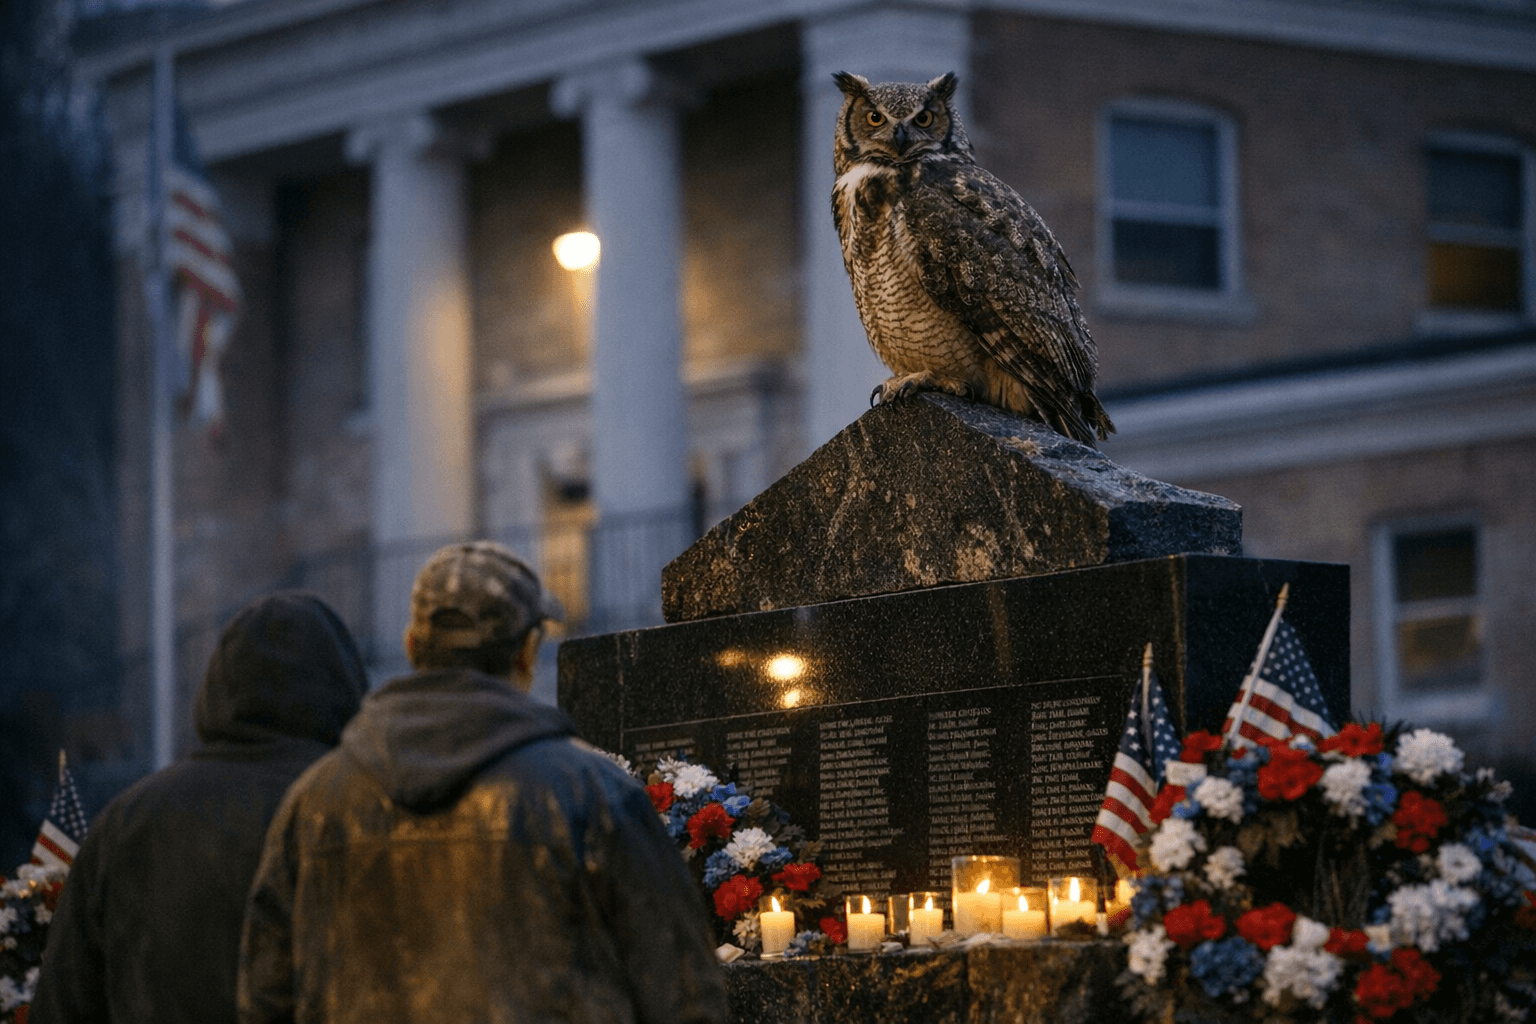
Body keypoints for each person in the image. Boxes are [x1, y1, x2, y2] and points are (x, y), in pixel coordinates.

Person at [238, 541, 727, 1024]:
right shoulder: (593, 793)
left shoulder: (314, 802)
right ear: (527, 651)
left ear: (412, 647)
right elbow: (682, 994)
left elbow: (265, 997)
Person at [31, 591, 368, 1024]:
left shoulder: (129, 822)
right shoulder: (363, 813)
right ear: (344, 686)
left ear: (217, 687)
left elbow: (64, 1006)